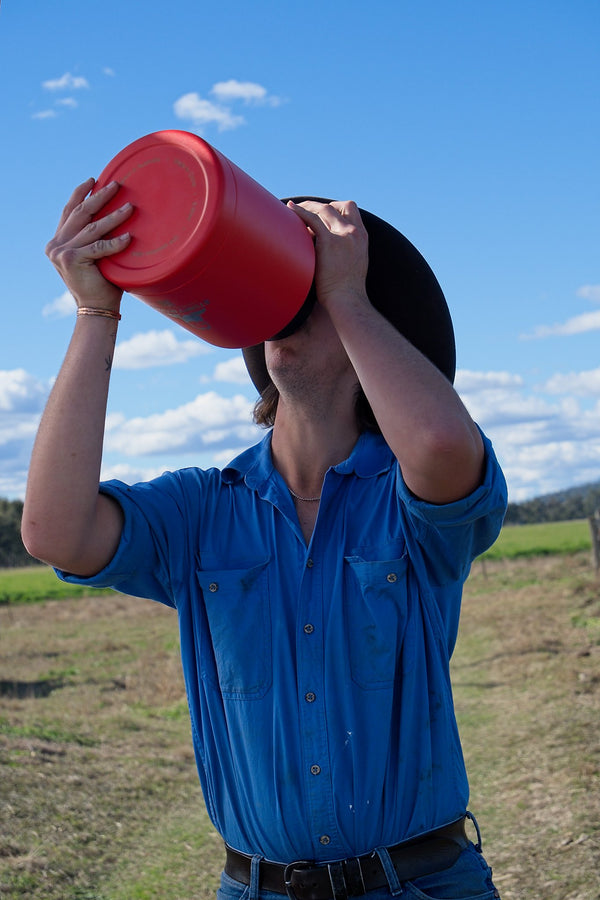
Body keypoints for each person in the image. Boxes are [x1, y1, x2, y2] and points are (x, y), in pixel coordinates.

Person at [22, 178, 507, 900]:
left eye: (309, 296)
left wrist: (346, 294)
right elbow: (55, 531)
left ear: (378, 339)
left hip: (423, 885)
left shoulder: (411, 505)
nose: (291, 307)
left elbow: (438, 441)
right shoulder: (201, 508)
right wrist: (98, 310)